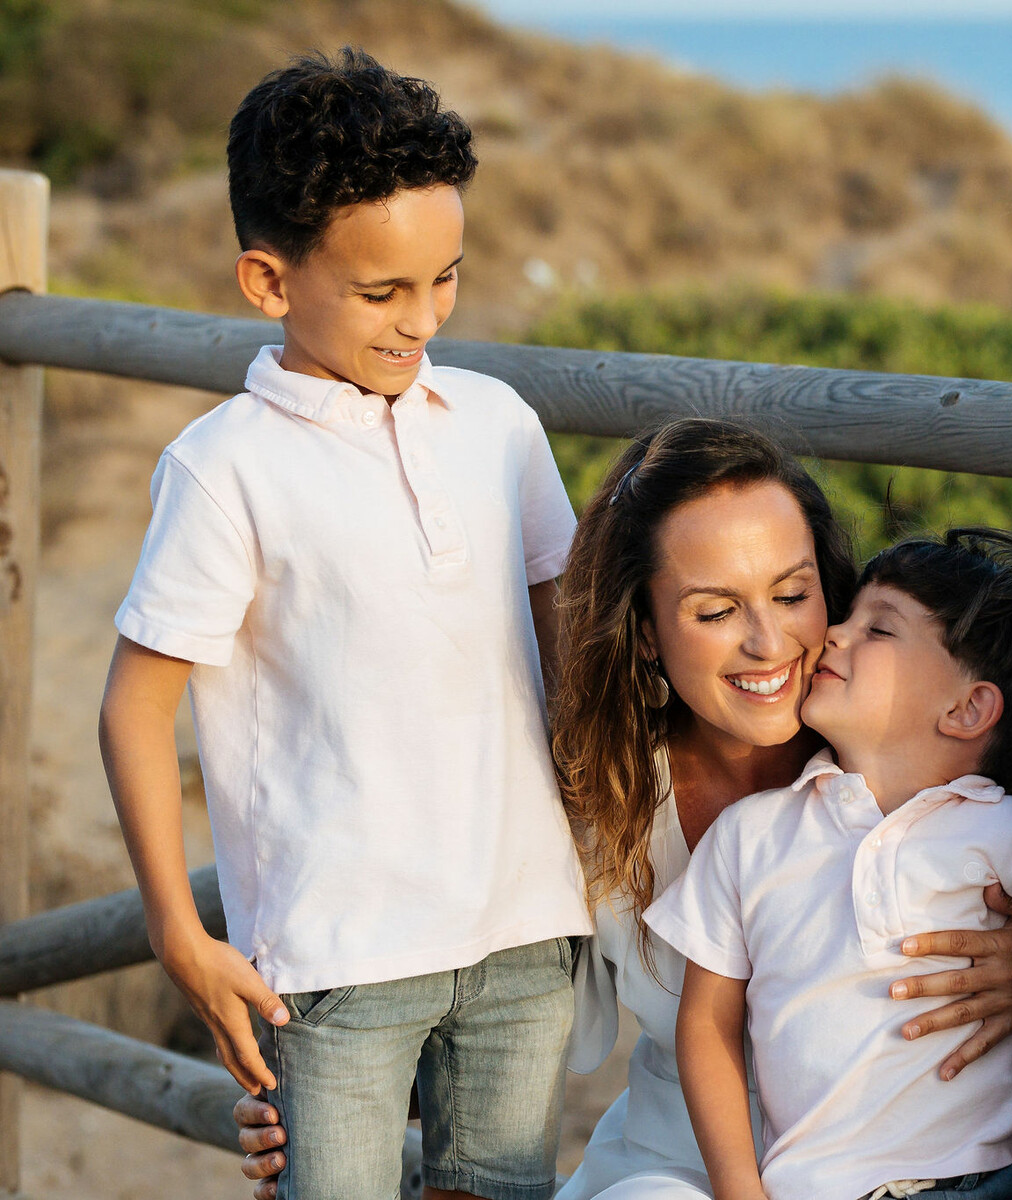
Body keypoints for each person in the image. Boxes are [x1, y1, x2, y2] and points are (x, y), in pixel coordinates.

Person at [234, 419, 1012, 1199]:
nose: (769, 644)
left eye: (793, 594)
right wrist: (320, 1108)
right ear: (644, 632)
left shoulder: (930, 758)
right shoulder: (599, 797)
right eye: (714, 611)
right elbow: (483, 1021)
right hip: (672, 1170)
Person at [99, 48, 592, 1200]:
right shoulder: (224, 468)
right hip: (332, 960)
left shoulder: (500, 424)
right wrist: (180, 936)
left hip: (525, 931)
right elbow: (134, 705)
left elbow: (567, 644)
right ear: (269, 283)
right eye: (383, 293)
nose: (423, 320)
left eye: (447, 279)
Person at [648, 530, 1012, 1200]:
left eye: (880, 629)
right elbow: (707, 1022)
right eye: (848, 616)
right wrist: (736, 1187)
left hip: (994, 1181)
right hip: (809, 1187)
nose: (834, 633)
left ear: (968, 708)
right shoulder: (751, 835)